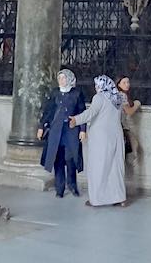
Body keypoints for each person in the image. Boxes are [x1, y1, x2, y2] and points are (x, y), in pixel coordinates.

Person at [71, 75, 127, 207]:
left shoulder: (99, 98)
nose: (95, 88)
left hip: (101, 138)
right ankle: (120, 197)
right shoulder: (118, 97)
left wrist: (75, 120)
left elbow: (90, 113)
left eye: (97, 85)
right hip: (116, 135)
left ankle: (96, 199)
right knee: (116, 168)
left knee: (98, 168)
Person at [39, 68, 86, 198]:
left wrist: (82, 129)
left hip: (71, 129)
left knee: (70, 158)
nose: (61, 80)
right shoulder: (55, 93)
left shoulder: (76, 94)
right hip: (56, 130)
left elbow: (82, 112)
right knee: (58, 158)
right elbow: (48, 111)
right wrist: (41, 126)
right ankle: (59, 188)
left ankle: (72, 185)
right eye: (59, 78)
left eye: (63, 78)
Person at [117, 76, 141, 163]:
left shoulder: (117, 94)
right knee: (134, 145)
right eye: (124, 83)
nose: (127, 85)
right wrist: (137, 104)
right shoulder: (122, 95)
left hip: (120, 125)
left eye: (128, 82)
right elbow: (129, 111)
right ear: (118, 84)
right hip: (121, 126)